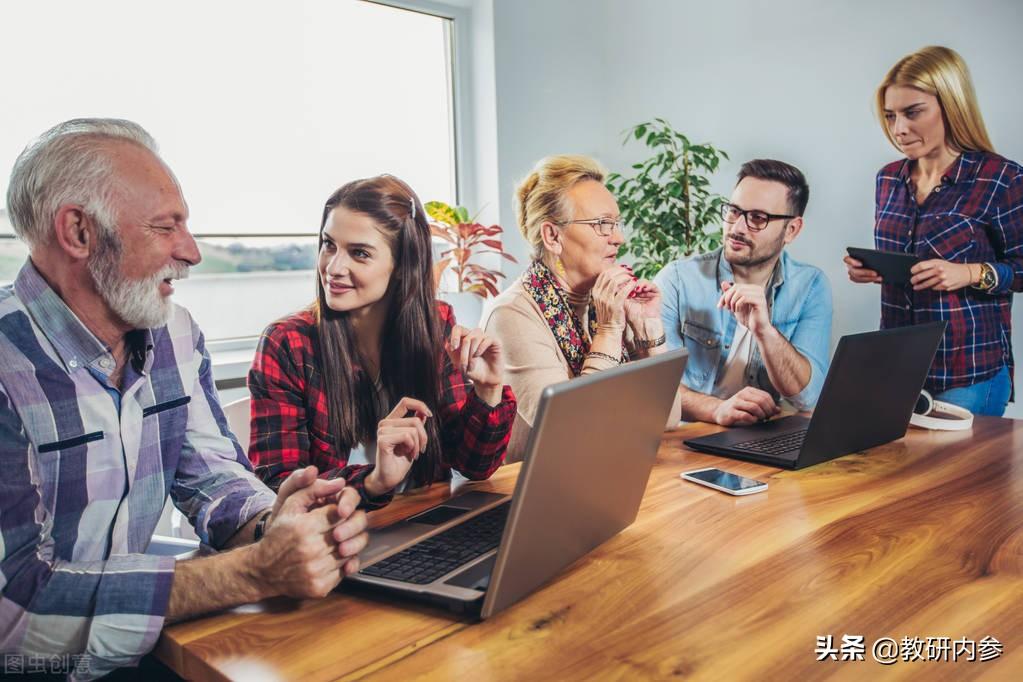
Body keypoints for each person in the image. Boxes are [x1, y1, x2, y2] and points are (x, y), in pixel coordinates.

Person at [0, 119, 368, 679]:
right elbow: (16, 611)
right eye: (165, 227)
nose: (192, 252)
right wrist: (252, 572)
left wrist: (274, 524)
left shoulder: (174, 334)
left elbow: (211, 474)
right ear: (78, 232)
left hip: (129, 652)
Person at [247, 175, 516, 504]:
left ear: (402, 265)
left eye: (359, 253)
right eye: (329, 245)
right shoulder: (287, 343)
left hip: (423, 520)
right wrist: (374, 482)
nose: (333, 266)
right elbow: (280, 484)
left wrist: (487, 392)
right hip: (335, 538)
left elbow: (475, 466)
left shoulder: (436, 325)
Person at [844, 45, 1023, 416]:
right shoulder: (888, 178)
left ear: (951, 106)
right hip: (896, 369)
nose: (899, 129)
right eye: (890, 116)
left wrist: (969, 273)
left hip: (966, 375)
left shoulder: (1000, 178)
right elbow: (909, 266)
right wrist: (875, 271)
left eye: (913, 113)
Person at [481, 155, 680, 458]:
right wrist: (610, 331)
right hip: (543, 495)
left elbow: (668, 419)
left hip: (610, 472)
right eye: (602, 224)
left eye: (616, 223)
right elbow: (573, 434)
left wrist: (647, 329)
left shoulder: (603, 302)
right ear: (553, 236)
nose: (619, 238)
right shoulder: (512, 315)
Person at [655, 159, 833, 426]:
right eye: (734, 211)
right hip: (687, 440)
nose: (737, 228)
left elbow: (807, 397)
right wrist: (717, 409)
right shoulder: (678, 280)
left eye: (758, 218)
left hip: (764, 438)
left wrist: (765, 331)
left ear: (792, 230)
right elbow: (655, 389)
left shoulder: (810, 286)